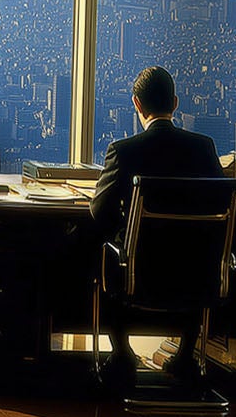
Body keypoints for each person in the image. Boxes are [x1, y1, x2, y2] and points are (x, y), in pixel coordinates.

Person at [89, 66, 222, 391]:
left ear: (137, 104)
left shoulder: (124, 151)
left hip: (139, 273)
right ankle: (186, 355)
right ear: (175, 103)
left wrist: (124, 228)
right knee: (193, 259)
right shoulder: (203, 148)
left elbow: (98, 211)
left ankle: (121, 354)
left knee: (103, 255)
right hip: (195, 274)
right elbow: (220, 203)